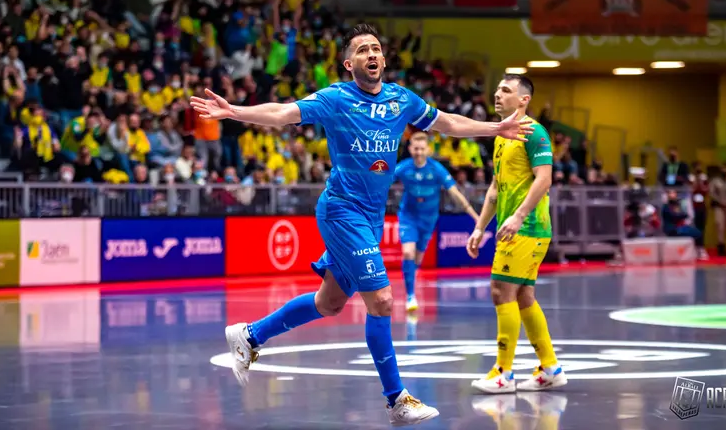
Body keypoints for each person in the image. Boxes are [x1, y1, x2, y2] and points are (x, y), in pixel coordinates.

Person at [190, 24, 534, 426]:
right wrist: (234, 112)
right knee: (383, 300)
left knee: (330, 302)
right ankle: (397, 400)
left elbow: (446, 123)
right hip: (341, 209)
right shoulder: (336, 98)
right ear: (348, 63)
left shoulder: (400, 99)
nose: (372, 54)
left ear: (383, 59)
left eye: (376, 48)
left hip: (370, 217)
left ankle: (249, 336)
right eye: (362, 50)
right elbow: (284, 113)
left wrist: (496, 127)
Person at [466, 73, 567, 394]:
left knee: (501, 291)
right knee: (523, 296)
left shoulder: (535, 133)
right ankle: (550, 367)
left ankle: (503, 372)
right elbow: (495, 189)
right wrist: (480, 227)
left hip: (528, 227)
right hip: (514, 226)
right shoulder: (501, 136)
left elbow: (544, 179)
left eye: (506, 90)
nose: (497, 94)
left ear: (524, 100)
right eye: (497, 89)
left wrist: (519, 215)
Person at [394, 131, 479, 312]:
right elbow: (382, 183)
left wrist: (476, 217)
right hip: (408, 216)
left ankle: (411, 276)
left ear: (428, 150)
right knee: (407, 253)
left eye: (421, 149)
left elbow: (455, 194)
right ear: (410, 149)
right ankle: (410, 296)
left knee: (417, 258)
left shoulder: (437, 170)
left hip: (429, 219)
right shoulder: (403, 168)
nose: (418, 152)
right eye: (415, 149)